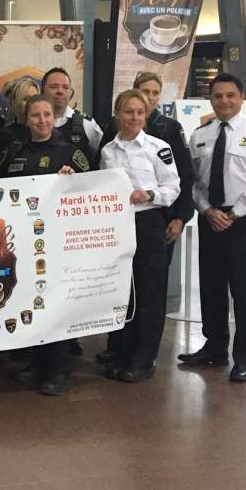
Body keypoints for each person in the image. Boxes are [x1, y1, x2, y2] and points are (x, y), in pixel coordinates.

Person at [179, 73, 246, 382]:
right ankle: (215, 347)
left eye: (230, 95)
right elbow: (193, 183)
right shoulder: (200, 135)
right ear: (210, 99)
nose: (224, 101)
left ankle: (244, 356)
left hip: (242, 222)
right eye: (218, 95)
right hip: (211, 219)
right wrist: (208, 210)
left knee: (243, 289)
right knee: (210, 286)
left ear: (241, 98)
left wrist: (232, 213)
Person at [96, 72, 196, 367]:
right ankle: (123, 350)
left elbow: (173, 187)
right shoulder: (107, 151)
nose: (134, 117)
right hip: (118, 227)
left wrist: (149, 195)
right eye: (128, 112)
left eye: (140, 112)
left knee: (150, 291)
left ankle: (144, 358)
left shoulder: (158, 148)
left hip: (148, 224)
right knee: (123, 289)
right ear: (117, 114)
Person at [0, 94, 91, 394]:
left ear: (54, 117)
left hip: (58, 242)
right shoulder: (14, 152)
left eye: (47, 115)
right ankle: (37, 362)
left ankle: (59, 369)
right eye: (35, 115)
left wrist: (73, 179)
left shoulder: (69, 152)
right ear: (26, 119)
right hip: (24, 241)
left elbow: (93, 189)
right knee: (31, 300)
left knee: (57, 303)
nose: (41, 120)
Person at [42, 67, 103, 163]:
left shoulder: (86, 123)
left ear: (70, 92)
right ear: (42, 90)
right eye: (54, 87)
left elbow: (101, 156)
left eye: (65, 87)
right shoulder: (34, 122)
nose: (60, 91)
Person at [0, 75, 42, 157]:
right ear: (14, 102)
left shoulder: (46, 132)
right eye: (26, 99)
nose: (31, 103)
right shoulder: (3, 136)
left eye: (35, 98)